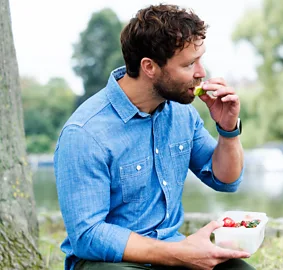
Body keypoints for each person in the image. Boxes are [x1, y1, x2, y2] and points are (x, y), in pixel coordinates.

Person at [54, 4, 254, 270]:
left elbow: (226, 180)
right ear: (149, 67)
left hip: (172, 251)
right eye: (189, 64)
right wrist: (177, 253)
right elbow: (87, 235)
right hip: (109, 262)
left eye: (200, 59)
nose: (201, 72)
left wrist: (228, 130)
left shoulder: (182, 114)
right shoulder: (85, 133)